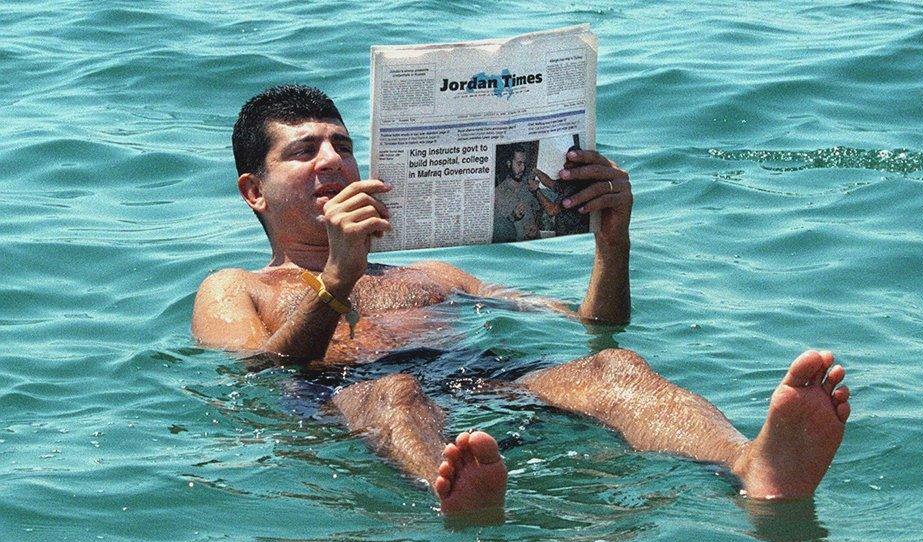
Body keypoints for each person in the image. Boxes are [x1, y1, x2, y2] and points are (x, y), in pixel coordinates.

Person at [192, 85, 851, 518]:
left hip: (475, 380)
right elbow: (256, 373)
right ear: (255, 190)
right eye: (305, 150)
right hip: (339, 396)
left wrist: (612, 243)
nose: (333, 159)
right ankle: (453, 492)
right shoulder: (235, 287)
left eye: (343, 143)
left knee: (615, 368)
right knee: (391, 390)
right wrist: (335, 279)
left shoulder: (432, 271)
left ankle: (754, 463)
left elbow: (594, 324)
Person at [492, 146, 543, 242]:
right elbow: (501, 225)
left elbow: (537, 210)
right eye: (519, 164)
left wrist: (536, 224)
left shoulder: (529, 185)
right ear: (509, 163)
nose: (523, 168)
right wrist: (514, 216)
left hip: (536, 243)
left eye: (524, 164)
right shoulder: (498, 192)